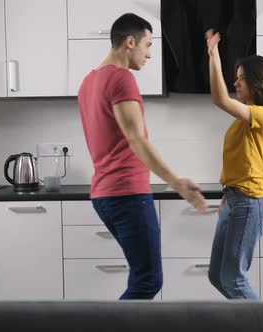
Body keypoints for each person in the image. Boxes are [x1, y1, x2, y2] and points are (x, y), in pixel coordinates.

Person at [78, 13, 207, 300]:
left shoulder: (89, 82)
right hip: (127, 193)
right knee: (148, 281)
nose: (149, 54)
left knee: (141, 277)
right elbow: (135, 138)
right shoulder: (121, 78)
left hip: (104, 195)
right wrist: (177, 182)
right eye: (148, 45)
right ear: (129, 42)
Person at [205, 29, 263, 299]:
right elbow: (240, 160)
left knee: (233, 279)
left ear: (258, 82)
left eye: (242, 78)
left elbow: (219, 99)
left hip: (251, 201)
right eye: (235, 78)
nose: (236, 83)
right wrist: (227, 194)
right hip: (235, 199)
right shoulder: (243, 120)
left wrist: (213, 55)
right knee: (218, 276)